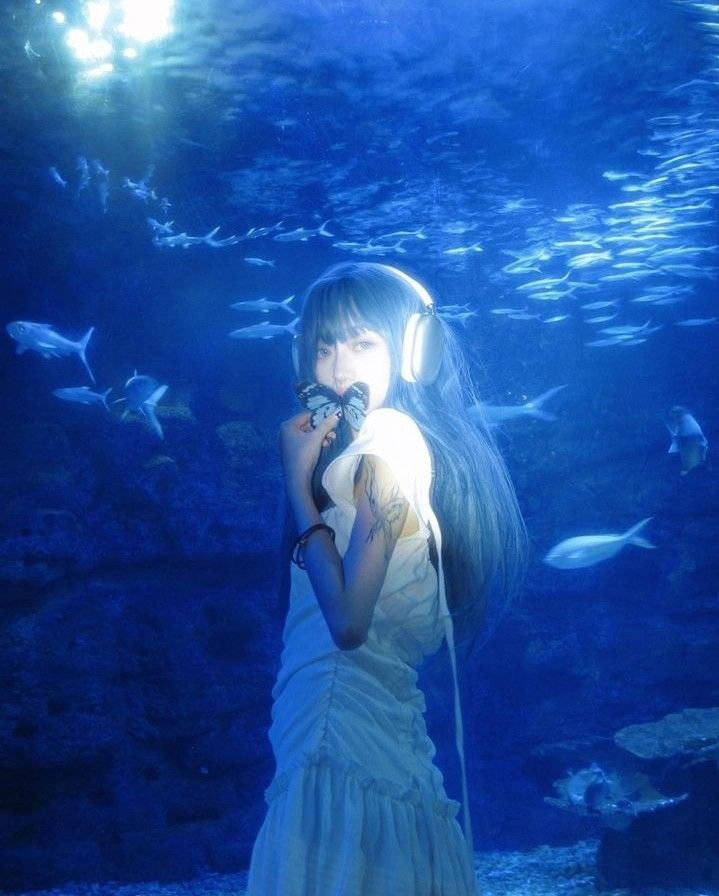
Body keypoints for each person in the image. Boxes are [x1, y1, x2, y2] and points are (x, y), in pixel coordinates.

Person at [246, 262, 525, 895]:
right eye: (324, 347)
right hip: (365, 722)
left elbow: (346, 623)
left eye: (363, 342)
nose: (340, 368)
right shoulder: (376, 445)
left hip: (335, 717)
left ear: (413, 351)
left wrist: (296, 485)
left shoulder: (384, 439)